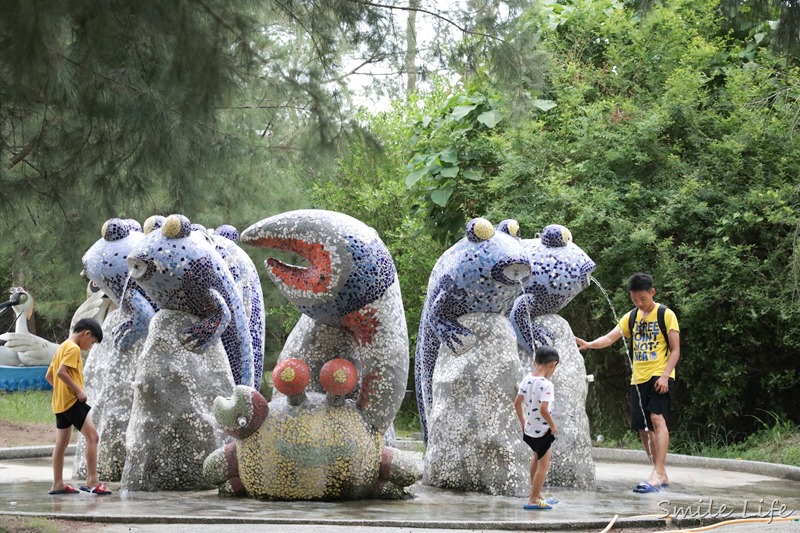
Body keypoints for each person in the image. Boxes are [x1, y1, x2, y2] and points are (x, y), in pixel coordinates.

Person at [575, 272, 680, 493]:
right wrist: (589, 344)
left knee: (657, 419)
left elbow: (676, 349)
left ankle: (658, 472)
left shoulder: (665, 314)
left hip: (660, 376)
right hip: (638, 378)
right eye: (634, 299)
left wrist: (664, 376)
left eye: (642, 298)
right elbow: (610, 338)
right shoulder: (631, 317)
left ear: (652, 292)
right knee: (643, 429)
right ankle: (659, 472)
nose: (639, 303)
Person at [45, 318, 111, 495]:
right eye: (92, 342)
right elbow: (61, 373)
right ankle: (92, 481)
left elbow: (49, 376)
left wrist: (60, 391)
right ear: (86, 333)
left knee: (61, 444)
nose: (90, 346)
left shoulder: (62, 346)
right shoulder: (73, 348)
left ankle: (57, 484)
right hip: (72, 402)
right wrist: (78, 391)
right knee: (93, 437)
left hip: (60, 404)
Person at [515, 345, 560, 510]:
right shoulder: (547, 385)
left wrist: (523, 422)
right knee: (543, 465)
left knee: (536, 458)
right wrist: (553, 426)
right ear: (552, 364)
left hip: (529, 431)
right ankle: (533, 499)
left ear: (535, 362)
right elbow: (543, 409)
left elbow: (517, 404)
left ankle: (536, 492)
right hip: (542, 431)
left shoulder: (526, 379)